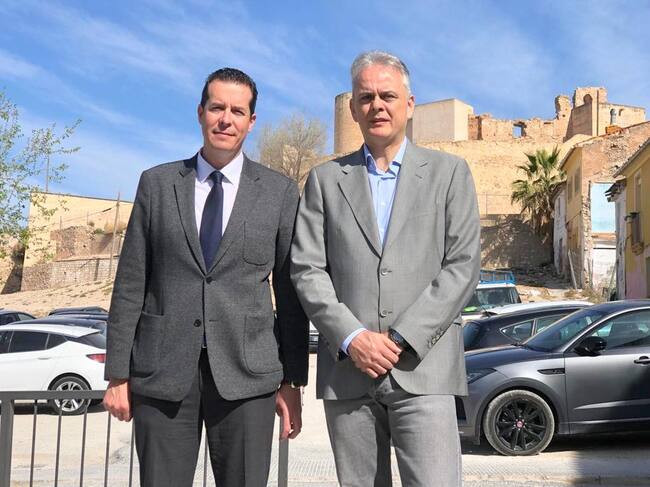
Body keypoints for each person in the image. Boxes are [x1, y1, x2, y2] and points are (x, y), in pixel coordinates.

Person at [103, 67, 308, 487]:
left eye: (237, 111)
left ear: (252, 121)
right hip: (162, 374)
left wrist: (293, 380)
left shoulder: (280, 192)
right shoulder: (157, 185)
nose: (226, 119)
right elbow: (130, 283)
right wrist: (118, 374)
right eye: (217, 108)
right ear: (200, 112)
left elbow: (290, 294)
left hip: (248, 377)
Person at [290, 51, 480, 486]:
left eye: (388, 96)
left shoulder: (449, 174)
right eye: (366, 97)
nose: (377, 105)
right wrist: (353, 337)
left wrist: (399, 339)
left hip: (424, 369)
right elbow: (307, 269)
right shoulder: (324, 181)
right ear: (354, 109)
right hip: (349, 374)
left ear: (409, 105)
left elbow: (463, 266)